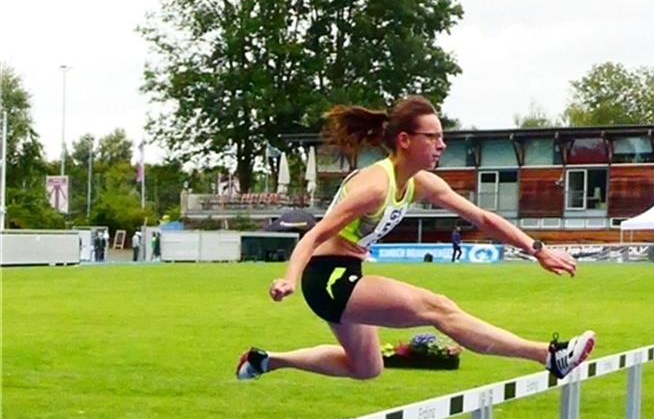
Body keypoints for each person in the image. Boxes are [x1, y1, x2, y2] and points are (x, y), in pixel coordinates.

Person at [237, 96, 595, 383]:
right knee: (438, 308)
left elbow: (482, 218)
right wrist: (289, 278)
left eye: (442, 137)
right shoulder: (375, 187)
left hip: (347, 276)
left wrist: (538, 250)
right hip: (328, 278)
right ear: (405, 140)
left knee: (366, 368)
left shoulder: (420, 181)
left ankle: (268, 361)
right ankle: (548, 355)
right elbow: (315, 234)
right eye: (433, 137)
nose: (441, 145)